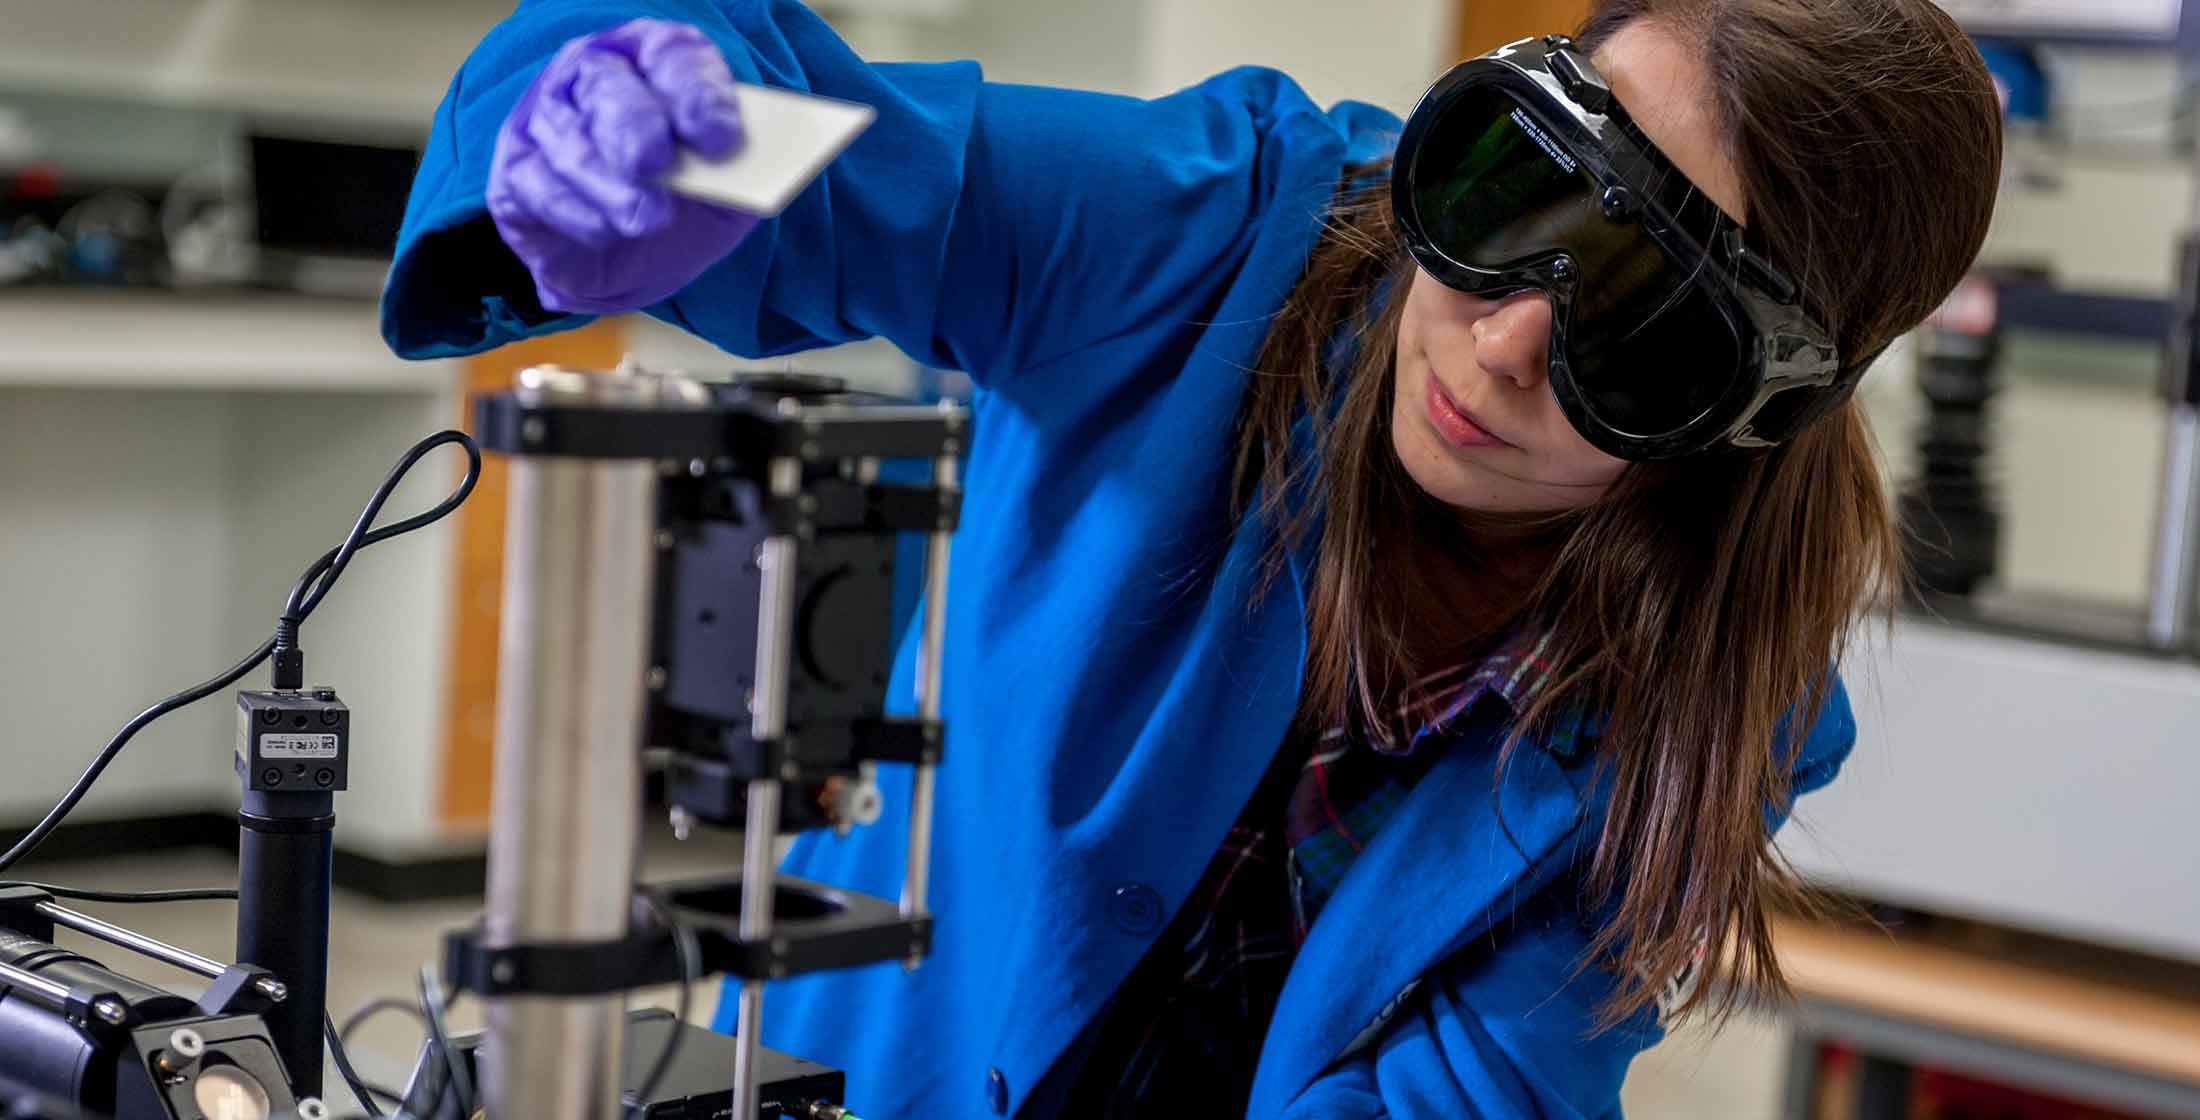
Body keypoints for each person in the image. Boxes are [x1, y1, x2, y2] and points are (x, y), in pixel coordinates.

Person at [381, 0, 2002, 1114]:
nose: (1504, 345)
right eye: (1511, 202)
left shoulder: (1727, 698)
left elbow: (1479, 1089)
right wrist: (624, 115)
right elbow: (831, 153)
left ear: (1752, 415)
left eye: (1643, 338)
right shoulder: (1213, 235)